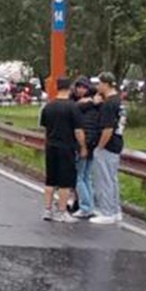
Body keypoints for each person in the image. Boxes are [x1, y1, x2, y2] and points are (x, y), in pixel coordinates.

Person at [39, 77, 87, 222]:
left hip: (51, 146)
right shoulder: (73, 107)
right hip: (66, 148)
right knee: (65, 182)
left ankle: (47, 210)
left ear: (57, 88)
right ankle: (61, 211)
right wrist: (83, 147)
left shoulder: (48, 107)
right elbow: (78, 131)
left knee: (50, 180)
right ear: (70, 88)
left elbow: (45, 127)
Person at [90, 72, 126, 225]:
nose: (97, 87)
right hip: (117, 142)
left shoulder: (108, 105)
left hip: (108, 144)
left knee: (103, 179)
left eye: (99, 83)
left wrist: (99, 146)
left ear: (106, 84)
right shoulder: (119, 101)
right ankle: (115, 209)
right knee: (112, 179)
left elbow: (107, 128)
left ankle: (107, 211)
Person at [70, 76, 102, 219]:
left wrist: (83, 145)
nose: (81, 90)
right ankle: (89, 206)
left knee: (79, 177)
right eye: (79, 87)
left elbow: (82, 127)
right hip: (92, 143)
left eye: (83, 87)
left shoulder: (81, 106)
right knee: (86, 176)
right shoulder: (95, 104)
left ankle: (85, 206)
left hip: (83, 143)